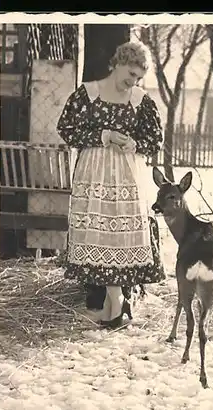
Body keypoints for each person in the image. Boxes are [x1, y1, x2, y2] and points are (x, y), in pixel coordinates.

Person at [57, 41, 166, 329]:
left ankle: (115, 300)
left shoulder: (140, 100)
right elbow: (66, 129)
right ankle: (114, 300)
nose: (133, 81)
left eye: (138, 78)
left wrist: (134, 143)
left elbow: (155, 139)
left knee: (120, 232)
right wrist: (104, 135)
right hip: (93, 170)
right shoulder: (87, 94)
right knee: (100, 232)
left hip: (127, 173)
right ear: (117, 64)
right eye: (130, 74)